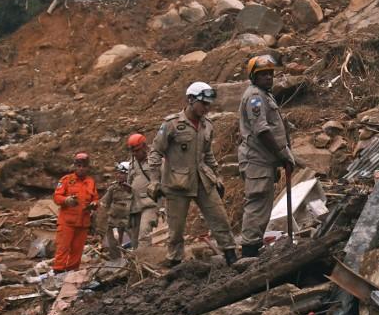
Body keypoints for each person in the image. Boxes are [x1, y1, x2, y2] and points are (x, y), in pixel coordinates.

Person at [148, 82, 237, 266]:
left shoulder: (207, 126)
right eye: (203, 104)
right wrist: (154, 181)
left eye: (209, 104)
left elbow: (208, 153)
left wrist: (217, 175)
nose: (207, 108)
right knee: (176, 231)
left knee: (220, 219)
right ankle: (175, 264)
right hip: (176, 184)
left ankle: (231, 257)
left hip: (203, 180)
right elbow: (155, 152)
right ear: (191, 100)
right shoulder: (172, 125)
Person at [238, 55, 295, 258]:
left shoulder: (264, 95)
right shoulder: (255, 97)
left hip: (264, 162)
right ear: (253, 76)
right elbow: (262, 130)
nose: (268, 78)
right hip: (257, 161)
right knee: (257, 205)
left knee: (262, 207)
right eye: (263, 75)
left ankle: (253, 248)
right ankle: (249, 253)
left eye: (270, 74)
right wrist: (282, 155)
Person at [52, 152, 99, 272]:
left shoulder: (91, 182)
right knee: (63, 248)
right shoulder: (66, 180)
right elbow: (57, 197)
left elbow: (95, 198)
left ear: (88, 167)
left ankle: (72, 274)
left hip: (83, 223)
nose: (81, 168)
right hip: (67, 222)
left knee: (77, 251)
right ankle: (58, 272)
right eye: (79, 166)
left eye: (84, 166)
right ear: (75, 166)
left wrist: (94, 204)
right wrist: (66, 200)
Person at [126, 133, 158, 248]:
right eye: (133, 151)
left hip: (150, 204)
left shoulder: (155, 161)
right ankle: (137, 263)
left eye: (137, 151)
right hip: (135, 206)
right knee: (134, 239)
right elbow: (129, 182)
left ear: (144, 147)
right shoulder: (132, 164)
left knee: (144, 235)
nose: (135, 154)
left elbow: (164, 182)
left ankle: (145, 262)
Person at [98, 162, 133, 258]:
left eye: (122, 173)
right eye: (118, 173)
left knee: (132, 243)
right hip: (114, 221)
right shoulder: (113, 188)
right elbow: (104, 202)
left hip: (128, 221)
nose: (119, 175)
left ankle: (132, 260)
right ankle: (115, 260)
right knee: (112, 243)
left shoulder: (134, 187)